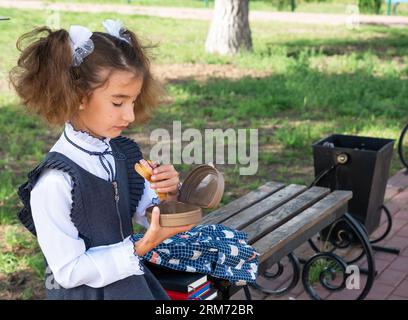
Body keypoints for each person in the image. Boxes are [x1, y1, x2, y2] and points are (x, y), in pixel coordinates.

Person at [10, 19, 193, 300]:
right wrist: (141, 247)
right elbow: (68, 271)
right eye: (118, 102)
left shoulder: (121, 154)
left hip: (130, 285)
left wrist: (167, 197)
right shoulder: (55, 181)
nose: (130, 116)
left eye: (133, 101)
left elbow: (149, 216)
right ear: (79, 96)